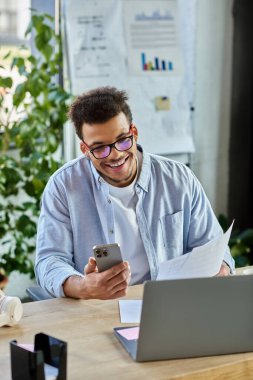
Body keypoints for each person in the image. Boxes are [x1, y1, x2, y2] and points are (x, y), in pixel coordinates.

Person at [35, 87, 234, 299]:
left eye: (123, 140)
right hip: (96, 309)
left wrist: (220, 267)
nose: (116, 155)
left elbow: (214, 248)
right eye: (100, 148)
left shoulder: (179, 179)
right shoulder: (64, 186)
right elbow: (50, 261)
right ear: (85, 149)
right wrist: (84, 286)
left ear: (134, 133)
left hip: (169, 304)